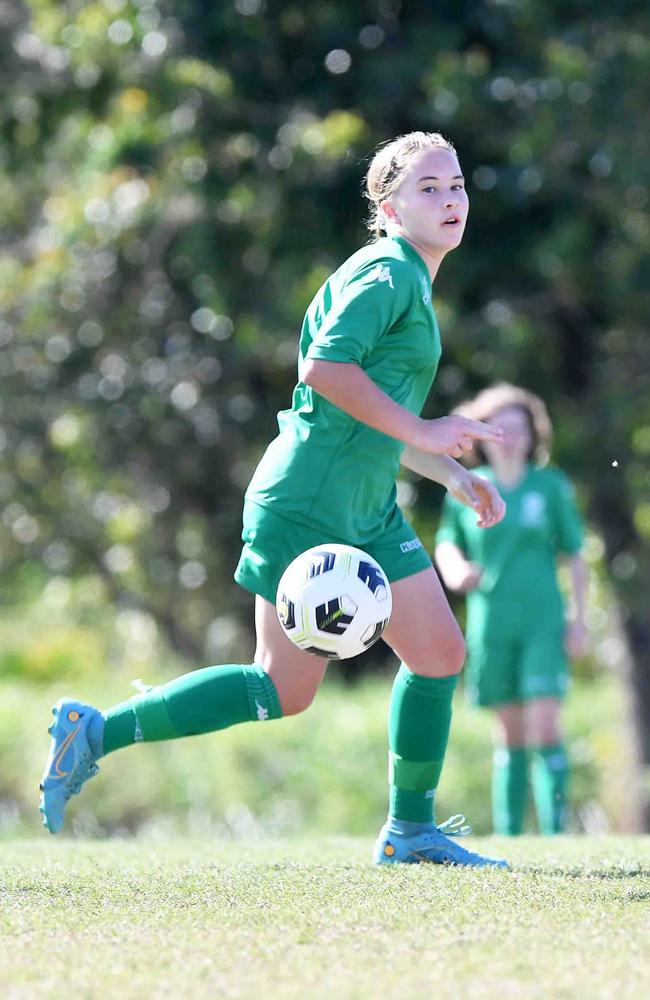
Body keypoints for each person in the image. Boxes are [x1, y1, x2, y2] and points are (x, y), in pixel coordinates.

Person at [40, 131, 509, 867]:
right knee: (280, 689)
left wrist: (446, 472)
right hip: (309, 505)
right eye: (428, 188)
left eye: (456, 185)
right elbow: (325, 370)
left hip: (366, 505)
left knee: (440, 653)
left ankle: (410, 831)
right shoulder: (387, 273)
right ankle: (94, 732)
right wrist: (424, 426)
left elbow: (369, 405)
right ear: (387, 207)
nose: (450, 200)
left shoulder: (409, 277)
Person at [434, 384, 588, 835]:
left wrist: (579, 621)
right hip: (491, 624)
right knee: (510, 734)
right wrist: (455, 569)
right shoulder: (465, 488)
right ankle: (510, 836)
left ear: (533, 434)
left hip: (542, 620)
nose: (513, 436)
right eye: (503, 427)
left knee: (544, 724)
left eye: (522, 427)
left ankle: (557, 834)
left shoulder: (550, 486)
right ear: (484, 435)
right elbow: (447, 544)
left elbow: (575, 555)